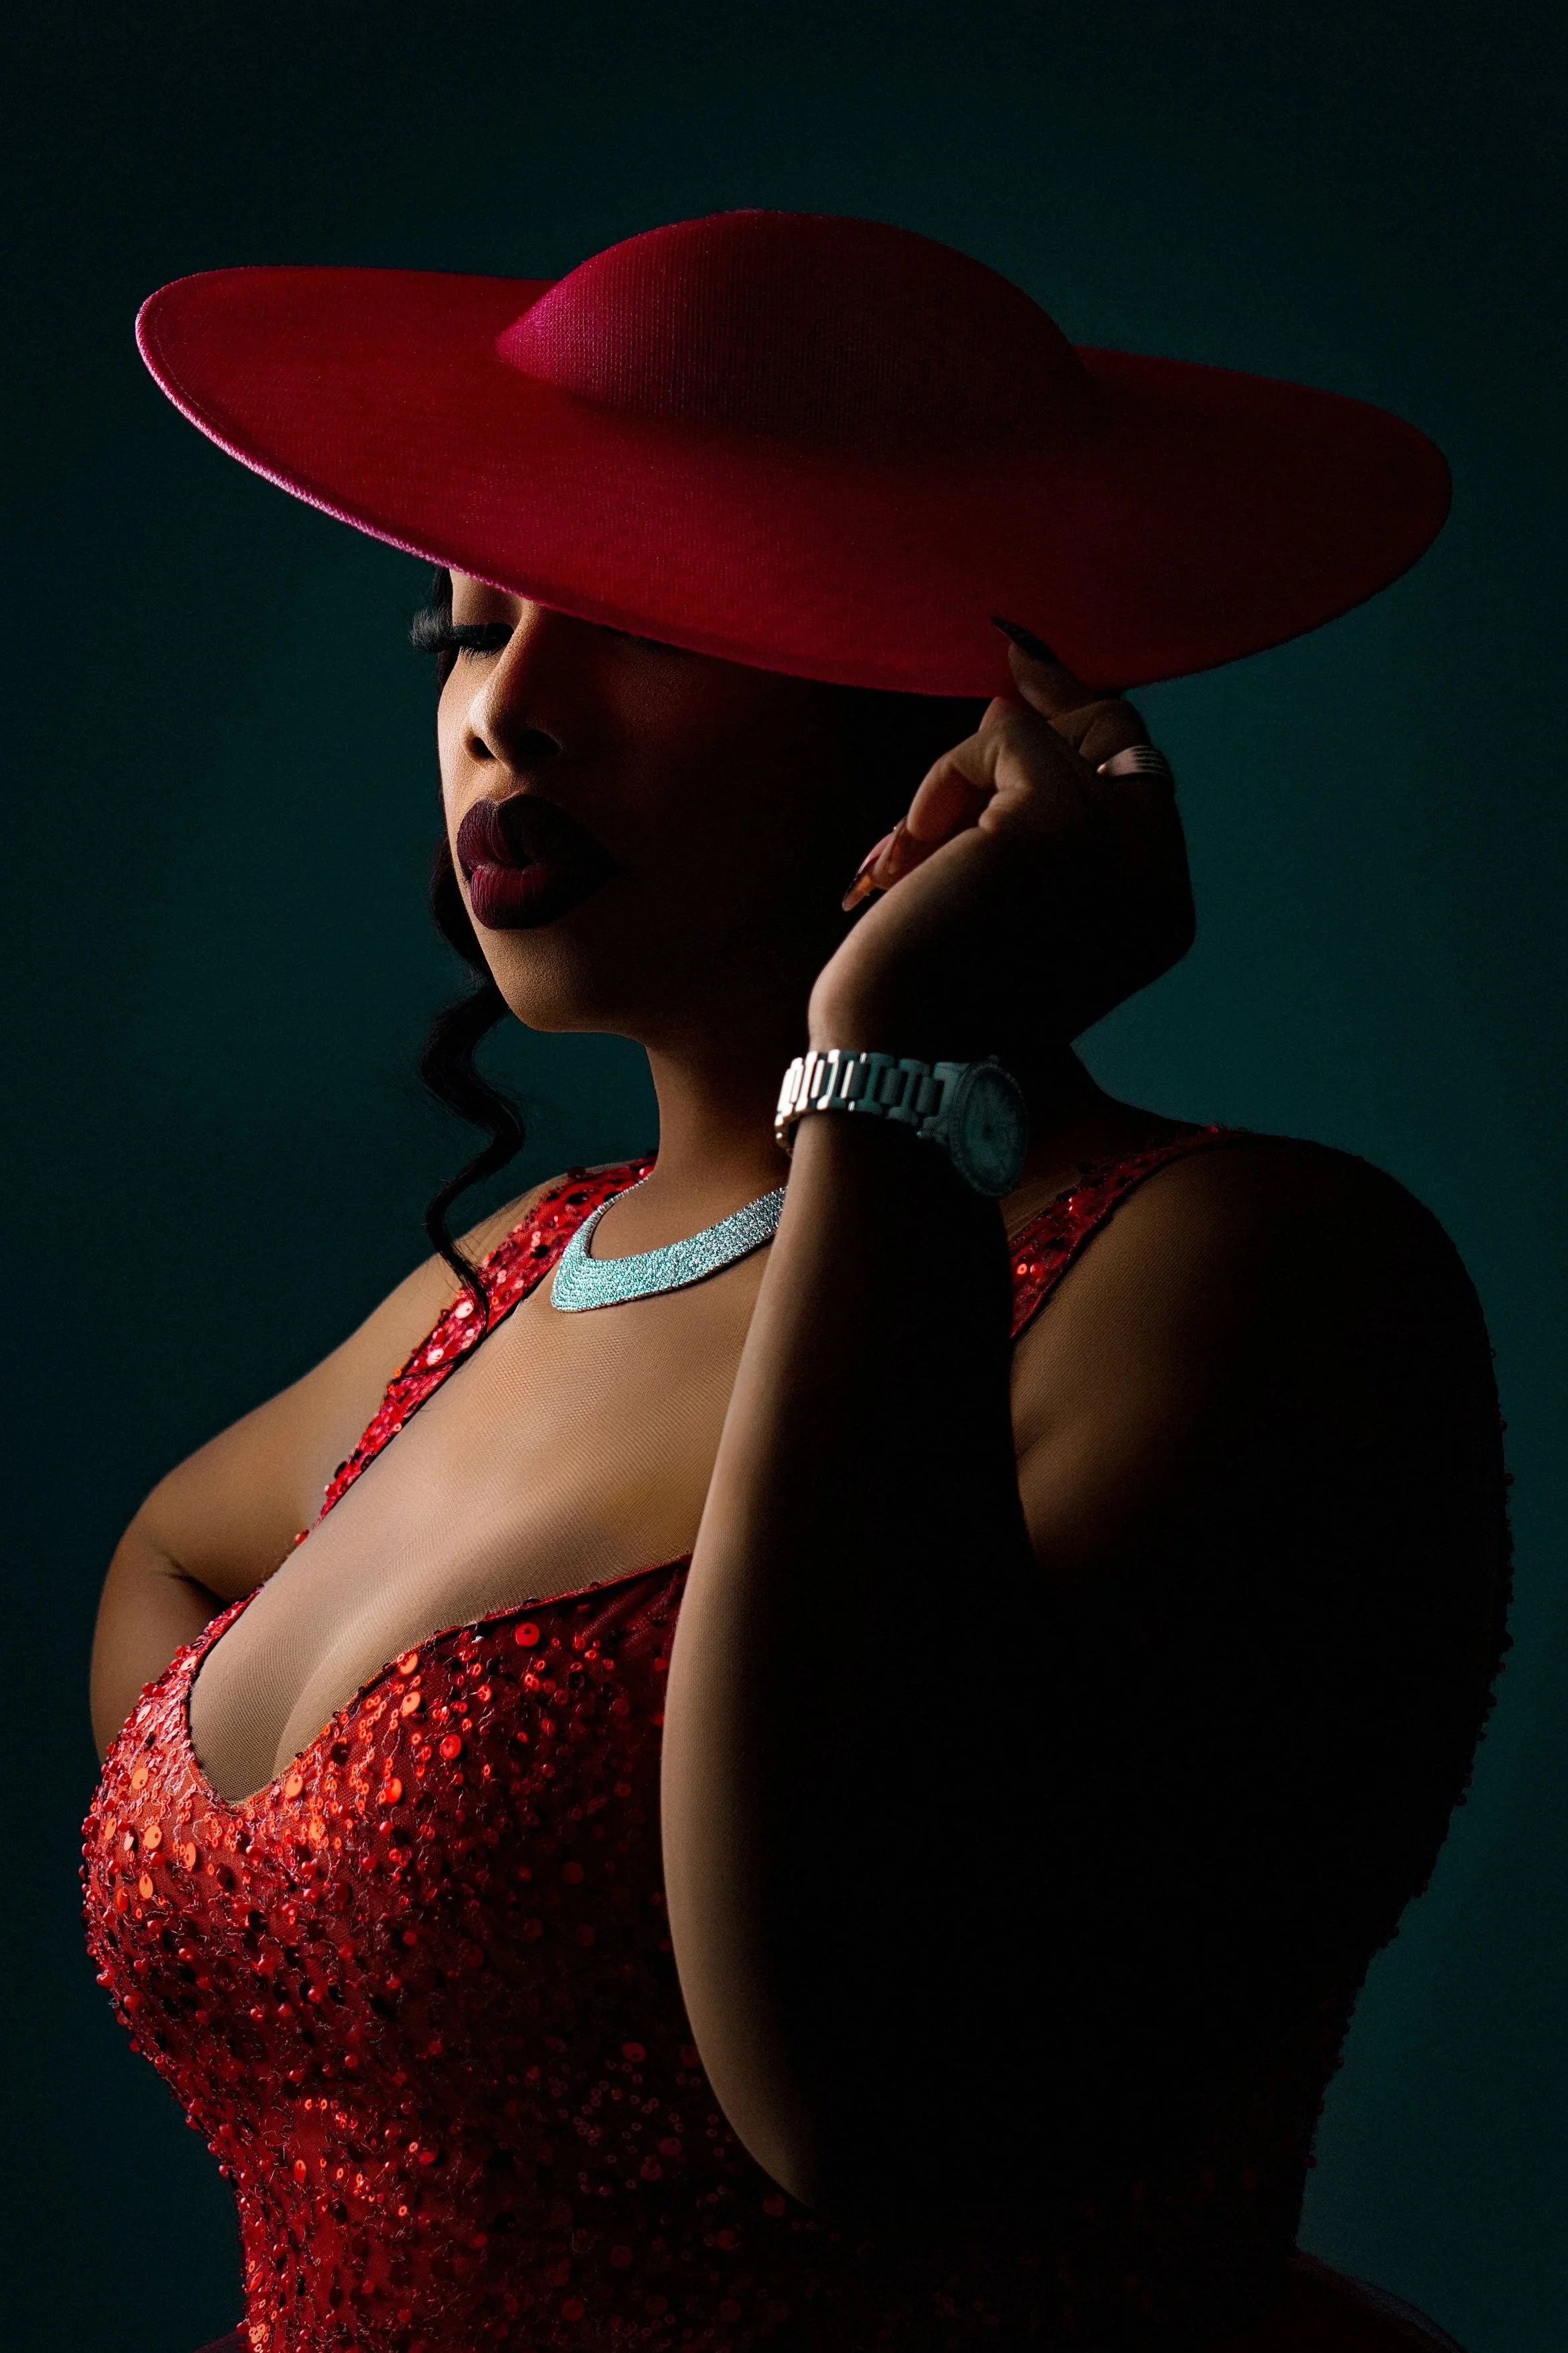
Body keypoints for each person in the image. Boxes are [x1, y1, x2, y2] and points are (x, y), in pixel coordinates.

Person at [82, 211, 1508, 2353]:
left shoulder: (1243, 1279)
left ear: (946, 707)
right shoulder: (528, 1277)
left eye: (638, 615)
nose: (510, 719)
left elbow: (860, 2099)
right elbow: (167, 1569)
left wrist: (894, 1084)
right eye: (463, 635)